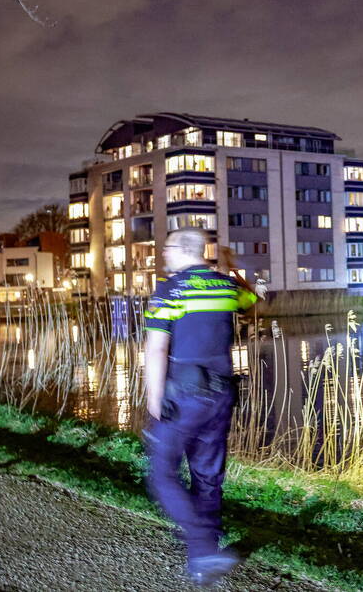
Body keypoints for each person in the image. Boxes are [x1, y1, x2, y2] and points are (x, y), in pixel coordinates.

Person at [142, 228, 260, 586]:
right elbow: (252, 301)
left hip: (184, 395)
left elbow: (156, 348)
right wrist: (231, 265)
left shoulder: (170, 290)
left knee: (161, 474)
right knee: (207, 474)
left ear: (182, 250)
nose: (163, 254)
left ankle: (203, 546)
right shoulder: (226, 288)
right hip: (221, 394)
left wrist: (153, 398)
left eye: (166, 248)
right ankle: (205, 551)